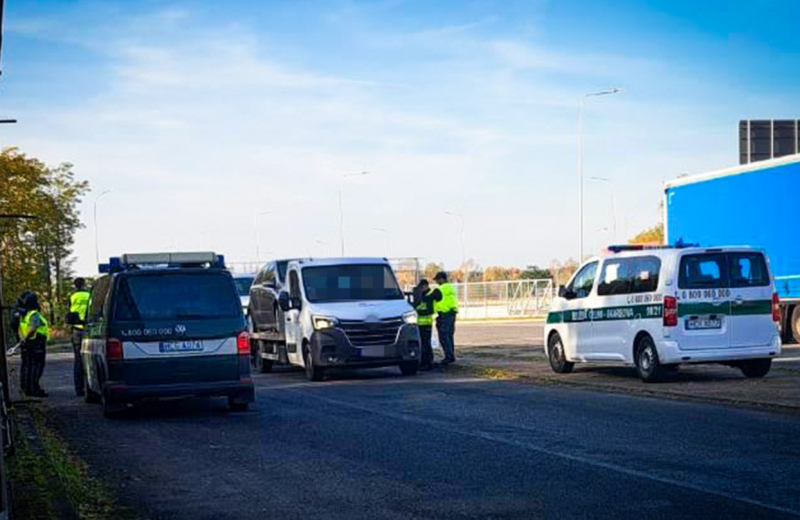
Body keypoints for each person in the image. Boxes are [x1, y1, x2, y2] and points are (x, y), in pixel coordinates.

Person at [18, 292, 49, 397]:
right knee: (37, 367)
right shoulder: (34, 314)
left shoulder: (24, 315)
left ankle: (28, 389)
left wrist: (22, 339)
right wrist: (26, 338)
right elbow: (33, 327)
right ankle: (34, 389)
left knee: (29, 366)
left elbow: (20, 328)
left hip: (29, 342)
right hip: (37, 342)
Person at [69, 278, 91, 396]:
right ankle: (90, 385)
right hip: (87, 328)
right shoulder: (89, 295)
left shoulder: (72, 297)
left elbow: (69, 312)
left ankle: (79, 389)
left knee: (78, 360)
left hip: (76, 329)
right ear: (84, 284)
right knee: (88, 358)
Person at [432, 271, 459, 365]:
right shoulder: (450, 287)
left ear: (442, 279)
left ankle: (449, 356)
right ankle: (451, 355)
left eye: (437, 280)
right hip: (452, 313)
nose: (436, 282)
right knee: (449, 335)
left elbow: (430, 298)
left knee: (443, 336)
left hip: (444, 314)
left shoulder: (440, 289)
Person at [412, 279, 436, 371]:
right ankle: (424, 362)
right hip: (420, 324)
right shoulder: (422, 296)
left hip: (426, 323)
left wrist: (418, 312)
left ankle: (428, 363)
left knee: (426, 344)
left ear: (425, 286)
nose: (420, 289)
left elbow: (430, 310)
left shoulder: (429, 296)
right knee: (423, 344)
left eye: (421, 287)